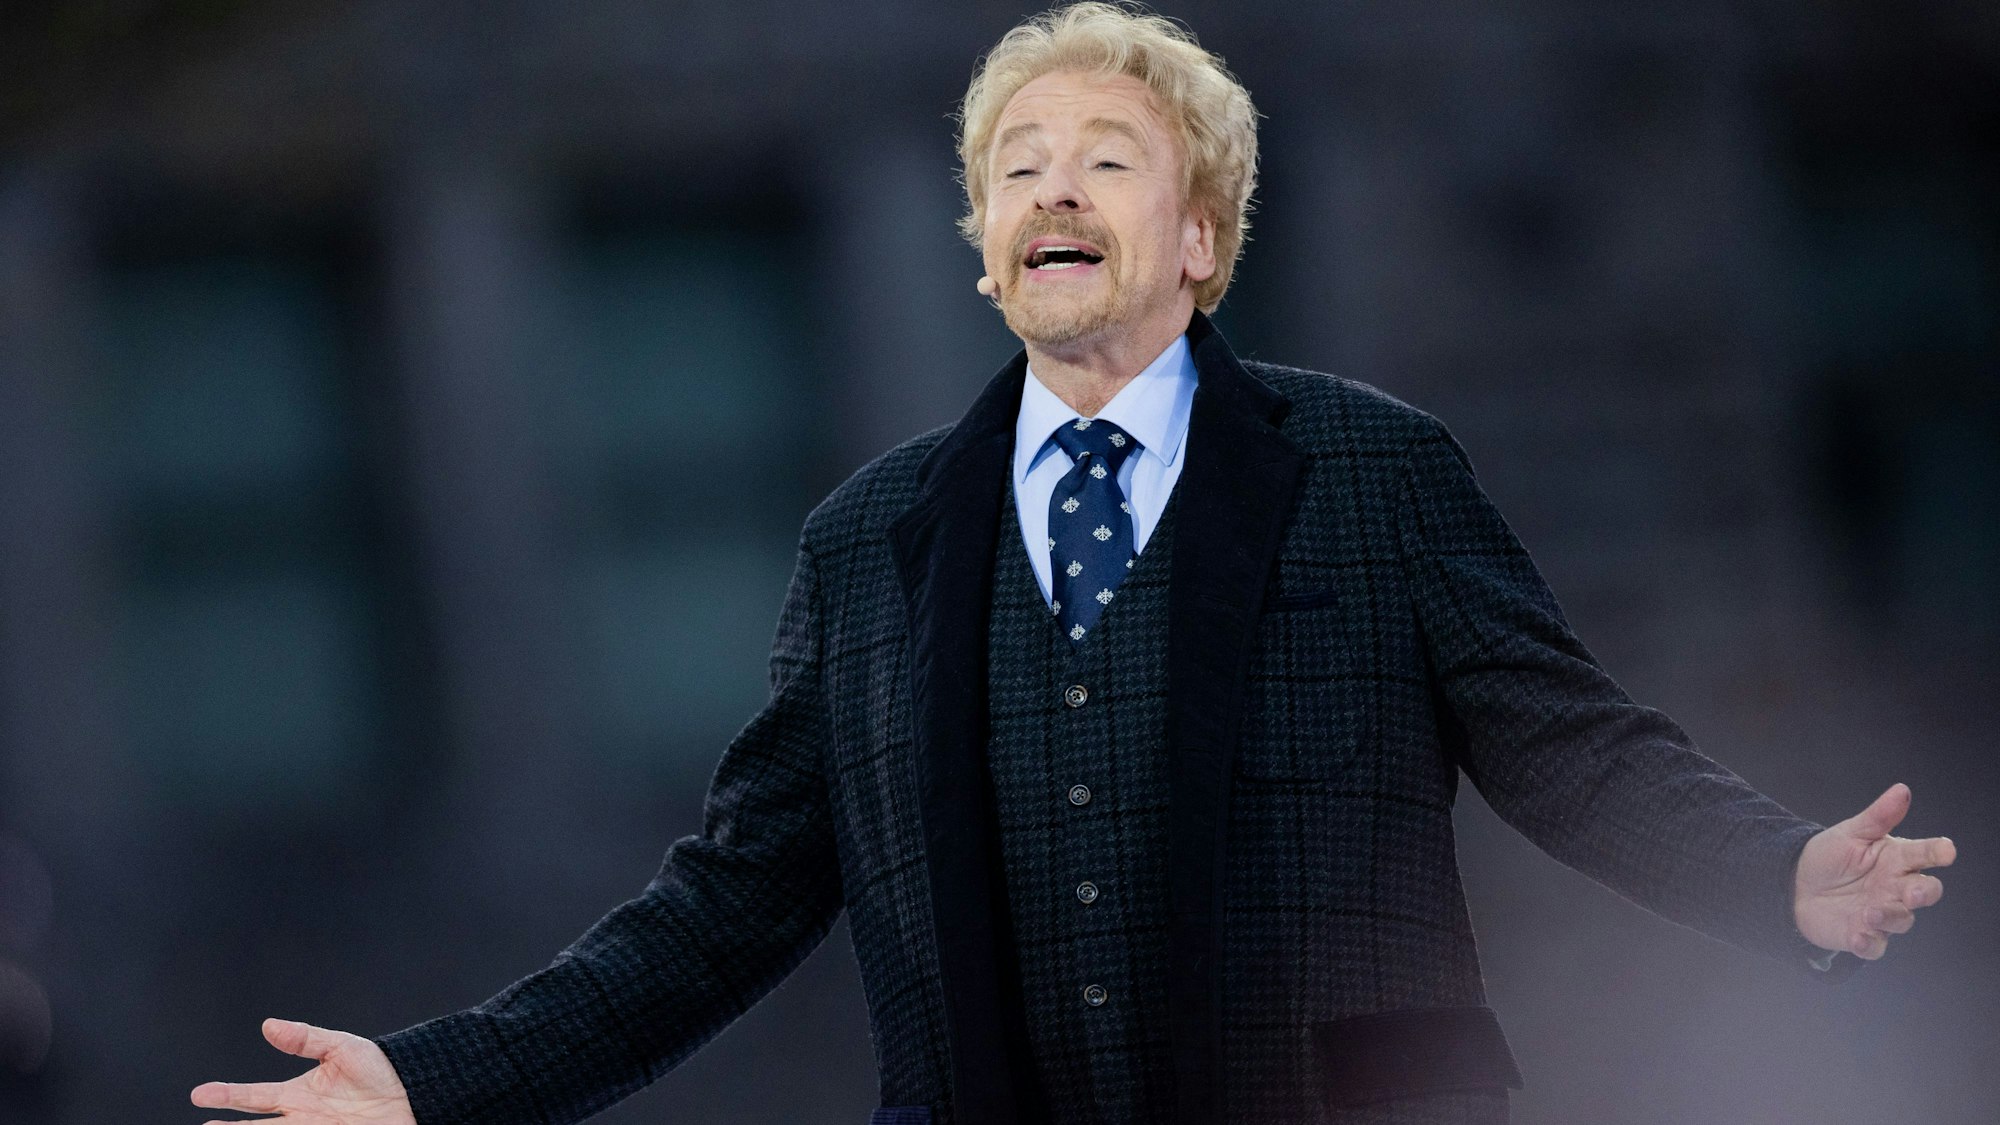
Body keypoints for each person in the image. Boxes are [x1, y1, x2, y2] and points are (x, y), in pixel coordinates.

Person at [190, 5, 1956, 1124]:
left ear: (1201, 234)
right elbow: (723, 906)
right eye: (1014, 169)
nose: (1051, 191)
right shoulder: (872, 542)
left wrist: (1777, 873)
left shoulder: (1371, 470)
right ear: (981, 247)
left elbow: (1566, 743)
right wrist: (436, 1082)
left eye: (1105, 160)